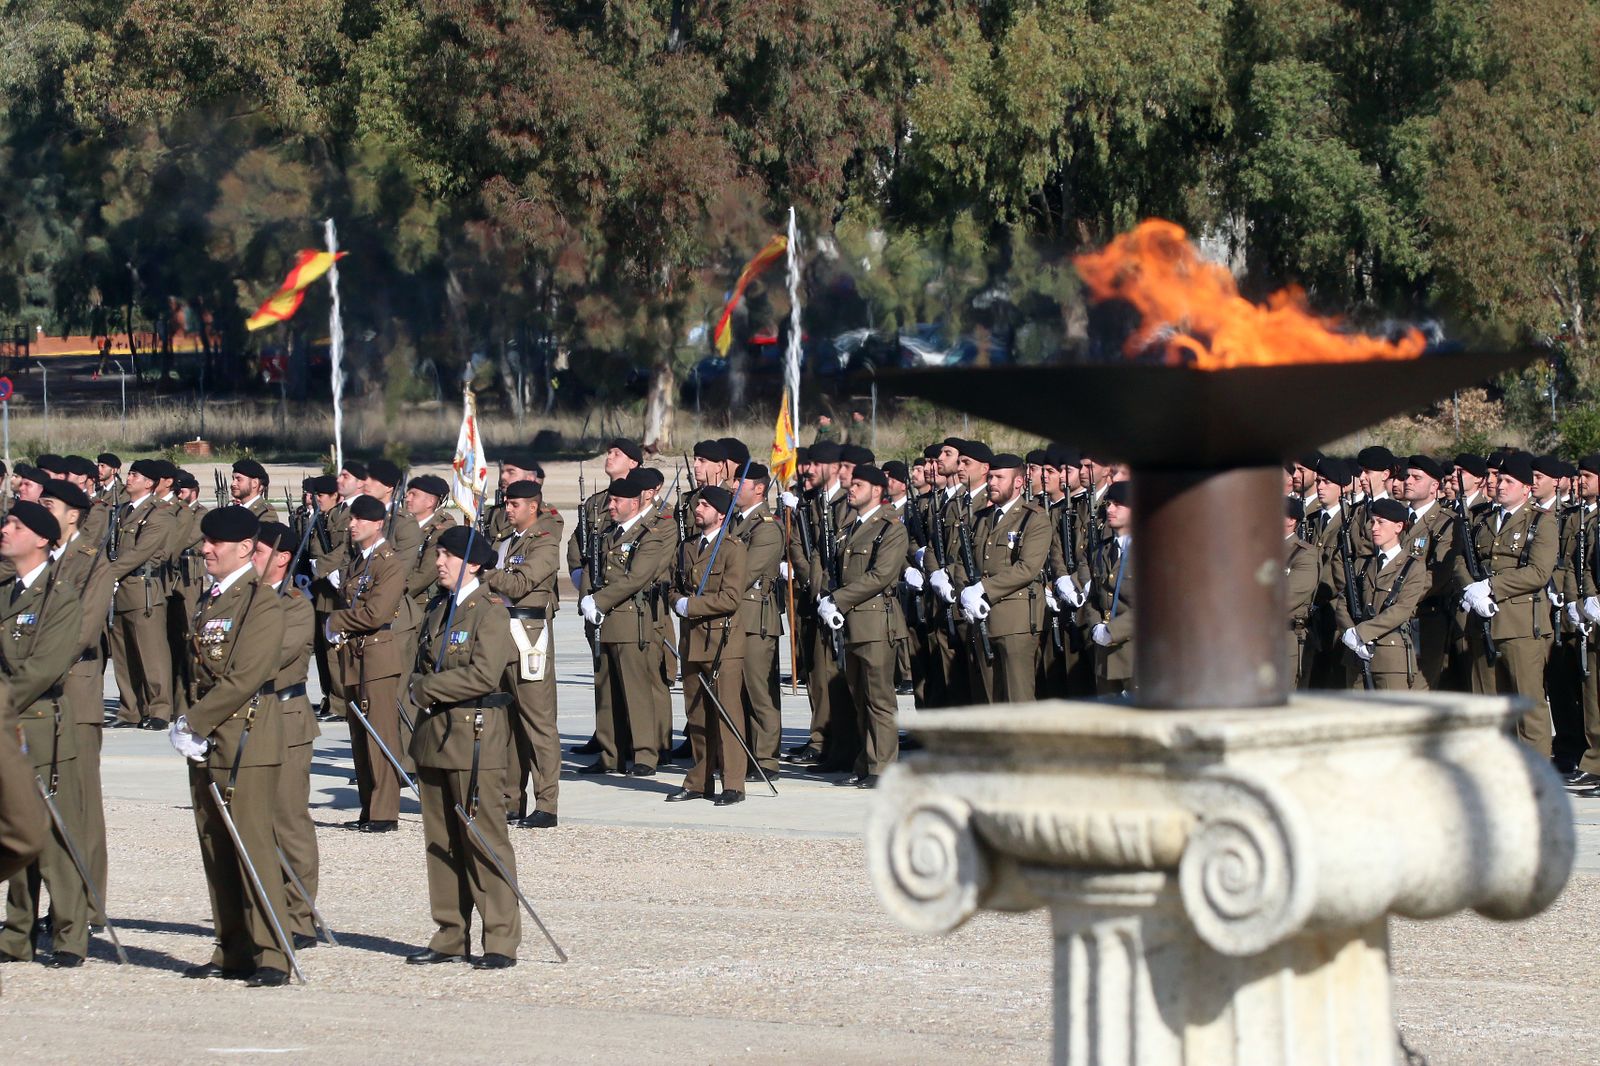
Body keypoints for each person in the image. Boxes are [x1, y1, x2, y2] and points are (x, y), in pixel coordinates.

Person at [173, 506, 291, 987]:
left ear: (245, 548)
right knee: (215, 843)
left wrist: (194, 721)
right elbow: (196, 670)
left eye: (216, 543)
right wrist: (188, 719)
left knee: (252, 844)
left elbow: (246, 675)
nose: (206, 549)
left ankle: (272, 953)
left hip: (246, 735)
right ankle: (232, 947)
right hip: (208, 737)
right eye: (205, 541)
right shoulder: (209, 599)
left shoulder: (259, 602)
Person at [406, 525, 520, 969]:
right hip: (435, 736)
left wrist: (427, 688)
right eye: (438, 554)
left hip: (474, 736)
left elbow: (483, 675)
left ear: (472, 563)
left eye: (448, 556)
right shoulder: (439, 608)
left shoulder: (488, 611)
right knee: (442, 842)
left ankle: (499, 940)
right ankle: (450, 934)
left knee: (483, 838)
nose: (439, 562)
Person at [0, 502, 87, 967]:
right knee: (15, 826)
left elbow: (43, 667)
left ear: (40, 539)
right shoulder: (6, 590)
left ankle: (70, 935)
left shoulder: (60, 596)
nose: (5, 530)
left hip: (39, 724)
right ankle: (17, 934)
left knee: (55, 834)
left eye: (15, 526)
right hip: (6, 725)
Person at [42, 479, 115, 925]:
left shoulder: (92, 564)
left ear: (73, 514)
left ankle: (84, 906)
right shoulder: (31, 560)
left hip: (75, 690)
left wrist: (32, 664)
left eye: (48, 504)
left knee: (80, 803)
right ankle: (43, 904)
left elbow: (83, 631)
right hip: (33, 698)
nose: (37, 509)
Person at [252, 521, 322, 951]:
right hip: (247, 718)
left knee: (288, 821)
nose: (250, 557)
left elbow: (270, 658)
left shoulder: (295, 605)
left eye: (257, 550)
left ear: (282, 557)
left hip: (284, 715)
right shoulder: (241, 599)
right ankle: (261, 908)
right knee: (254, 821)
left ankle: (299, 916)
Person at [816, 465, 909, 787]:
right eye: (851, 483)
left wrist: (838, 598)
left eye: (858, 484)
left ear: (877, 490)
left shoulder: (891, 527)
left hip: (876, 624)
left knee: (879, 700)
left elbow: (881, 575)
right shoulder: (850, 527)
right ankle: (866, 763)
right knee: (859, 698)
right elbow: (837, 570)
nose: (850, 489)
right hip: (853, 624)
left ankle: (883, 767)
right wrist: (828, 597)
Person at [1458, 453, 1556, 754]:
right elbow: (1462, 560)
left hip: (1522, 627)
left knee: (1527, 706)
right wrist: (1470, 589)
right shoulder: (1482, 520)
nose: (1499, 485)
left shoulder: (1542, 521)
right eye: (1499, 479)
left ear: (1526, 488)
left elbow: (1538, 572)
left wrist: (1490, 586)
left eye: (1508, 481)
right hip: (1482, 624)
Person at [325, 494, 408, 832]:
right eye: (351, 518)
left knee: (379, 735)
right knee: (359, 737)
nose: (352, 524)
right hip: (354, 655)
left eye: (360, 519)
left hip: (376, 655)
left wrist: (336, 621)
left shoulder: (389, 561)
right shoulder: (360, 561)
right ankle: (368, 807)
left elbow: (377, 612)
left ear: (378, 524)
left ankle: (385, 811)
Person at [483, 481, 563, 828]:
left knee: (537, 723)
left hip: (529, 638)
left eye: (515, 504)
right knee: (506, 723)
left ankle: (547, 803)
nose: (508, 509)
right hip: (500, 637)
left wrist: (483, 572)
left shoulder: (544, 542)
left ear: (533, 506)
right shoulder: (505, 542)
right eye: (507, 503)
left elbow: (518, 585)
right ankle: (510, 800)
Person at [579, 477, 672, 776]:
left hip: (631, 622)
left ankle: (645, 755)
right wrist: (586, 601)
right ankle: (610, 754)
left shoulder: (649, 536)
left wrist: (599, 601)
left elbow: (637, 578)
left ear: (635, 503)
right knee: (605, 691)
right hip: (602, 623)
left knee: (636, 691)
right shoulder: (605, 534)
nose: (611, 506)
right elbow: (590, 570)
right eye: (611, 500)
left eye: (617, 501)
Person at [667, 486, 750, 805]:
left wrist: (693, 606)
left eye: (705, 504)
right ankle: (699, 781)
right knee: (697, 715)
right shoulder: (687, 546)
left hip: (722, 642)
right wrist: (678, 603)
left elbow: (731, 597)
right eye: (696, 503)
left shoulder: (732, 548)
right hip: (692, 641)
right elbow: (674, 587)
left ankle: (733, 783)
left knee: (727, 714)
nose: (697, 508)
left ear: (720, 513)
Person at [948, 453, 1050, 703]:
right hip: (981, 619)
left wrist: (982, 588)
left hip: (1015, 623)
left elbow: (1027, 568)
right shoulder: (981, 519)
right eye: (991, 476)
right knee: (989, 701)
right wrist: (965, 592)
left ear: (1018, 482)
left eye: (999, 477)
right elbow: (962, 560)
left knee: (1018, 701)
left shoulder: (1034, 518)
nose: (992, 482)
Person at [107, 458, 179, 729]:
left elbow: (141, 552)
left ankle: (159, 710)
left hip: (143, 590)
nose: (129, 478)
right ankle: (131, 710)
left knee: (152, 654)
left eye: (134, 475)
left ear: (149, 483)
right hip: (120, 591)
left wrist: (109, 573)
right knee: (124, 656)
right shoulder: (123, 510)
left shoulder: (158, 513)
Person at [1333, 498, 1430, 690]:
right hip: (1355, 654)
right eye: (1372, 521)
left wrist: (1361, 633)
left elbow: (1402, 609)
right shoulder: (1363, 563)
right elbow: (1344, 601)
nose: (1374, 527)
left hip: (1389, 657)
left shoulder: (1413, 566)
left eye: (1380, 522)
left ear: (1398, 527)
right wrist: (1349, 632)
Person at [729, 464, 784, 780]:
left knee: (759, 691)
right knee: (738, 692)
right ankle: (746, 755)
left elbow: (744, 573)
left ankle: (766, 759)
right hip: (737, 617)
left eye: (741, 481)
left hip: (756, 619)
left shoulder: (765, 527)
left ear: (759, 489)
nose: (734, 485)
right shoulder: (738, 523)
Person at [1084, 482, 1135, 696]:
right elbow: (1093, 597)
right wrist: (1095, 625)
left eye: (1118, 504)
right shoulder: (1101, 550)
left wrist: (1113, 631)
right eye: (1109, 503)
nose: (1110, 509)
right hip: (1105, 657)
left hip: (1134, 655)